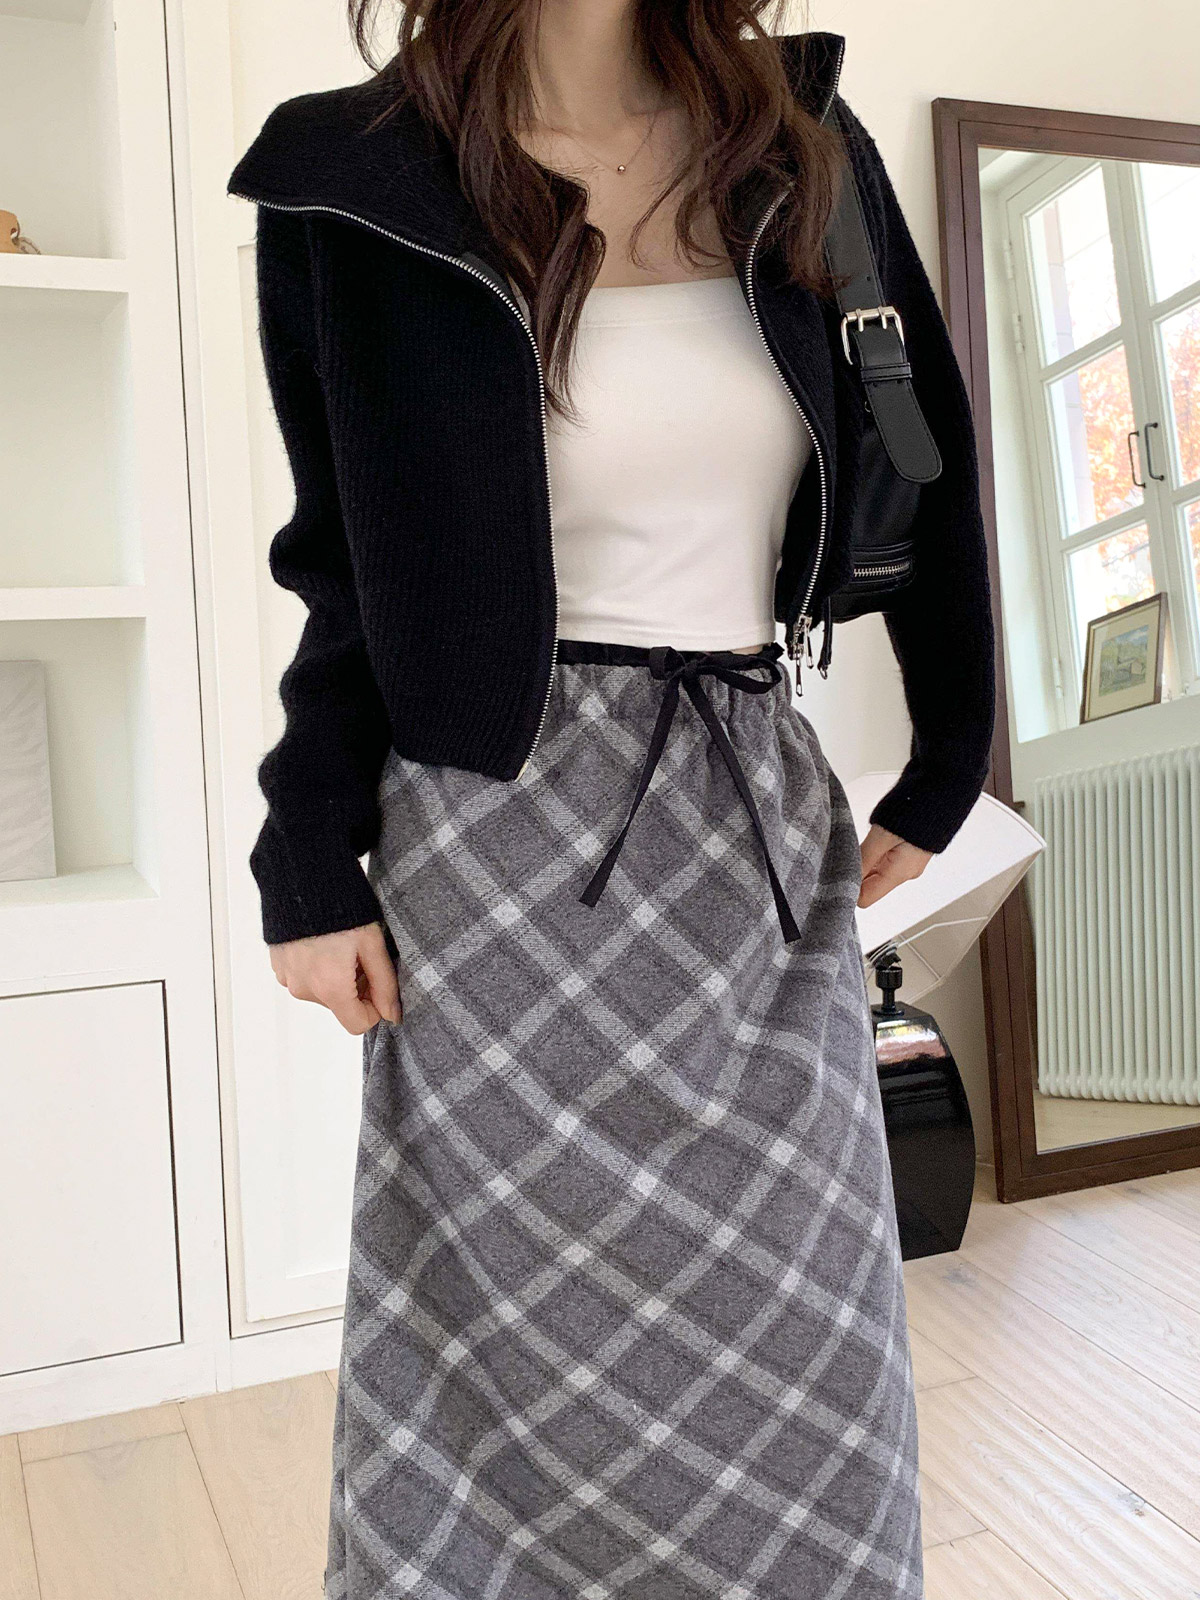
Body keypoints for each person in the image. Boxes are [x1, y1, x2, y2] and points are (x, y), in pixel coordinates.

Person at [229, 3, 994, 1595]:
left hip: (751, 807)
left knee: (811, 1335)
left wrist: (951, 747)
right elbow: (340, 562)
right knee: (492, 1338)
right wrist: (305, 849)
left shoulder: (804, 145)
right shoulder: (351, 177)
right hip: (488, 840)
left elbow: (922, 457)